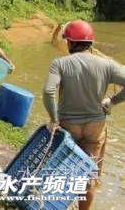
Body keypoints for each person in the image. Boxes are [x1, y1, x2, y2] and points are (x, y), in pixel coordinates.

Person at [43, 20, 125, 210]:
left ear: (70, 42)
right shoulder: (107, 65)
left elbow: (48, 92)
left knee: (59, 167)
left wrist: (54, 118)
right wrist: (112, 101)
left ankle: (52, 205)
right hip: (95, 127)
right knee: (88, 173)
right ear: (90, 43)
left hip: (67, 125)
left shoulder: (60, 63)